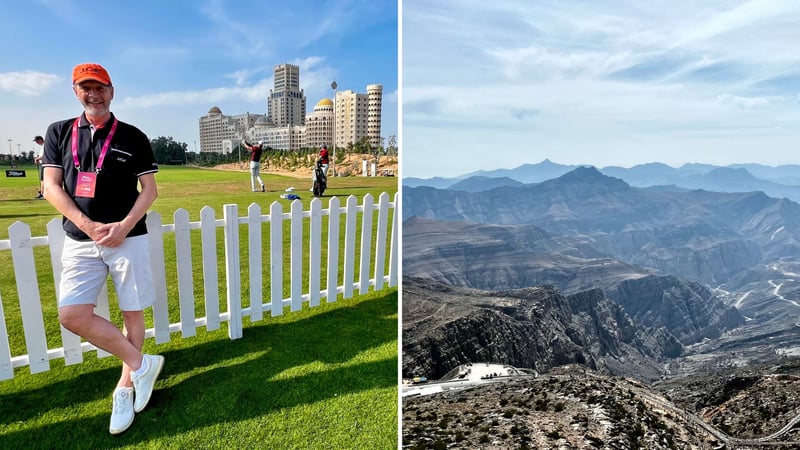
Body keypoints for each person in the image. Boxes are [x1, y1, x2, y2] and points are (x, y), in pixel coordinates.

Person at [40, 63, 164, 435]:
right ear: (75, 91)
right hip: (81, 239)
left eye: (100, 88)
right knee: (72, 315)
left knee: (132, 311)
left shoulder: (132, 135)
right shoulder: (59, 132)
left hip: (129, 237)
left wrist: (123, 226)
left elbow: (150, 191)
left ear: (112, 91)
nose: (93, 94)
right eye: (85, 88)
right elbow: (51, 186)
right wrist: (90, 227)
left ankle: (125, 385)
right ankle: (143, 365)